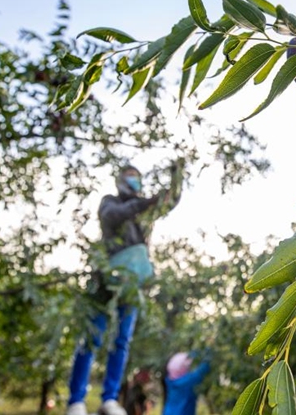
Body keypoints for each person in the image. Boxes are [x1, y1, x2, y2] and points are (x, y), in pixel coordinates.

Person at [67, 163, 183, 415]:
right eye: (130, 178)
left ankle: (109, 399)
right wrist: (144, 202)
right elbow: (112, 216)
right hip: (105, 279)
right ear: (120, 180)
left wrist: (177, 176)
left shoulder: (145, 213)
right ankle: (76, 401)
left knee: (122, 341)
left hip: (131, 284)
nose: (134, 183)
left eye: (137, 178)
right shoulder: (110, 202)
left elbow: (169, 201)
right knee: (91, 336)